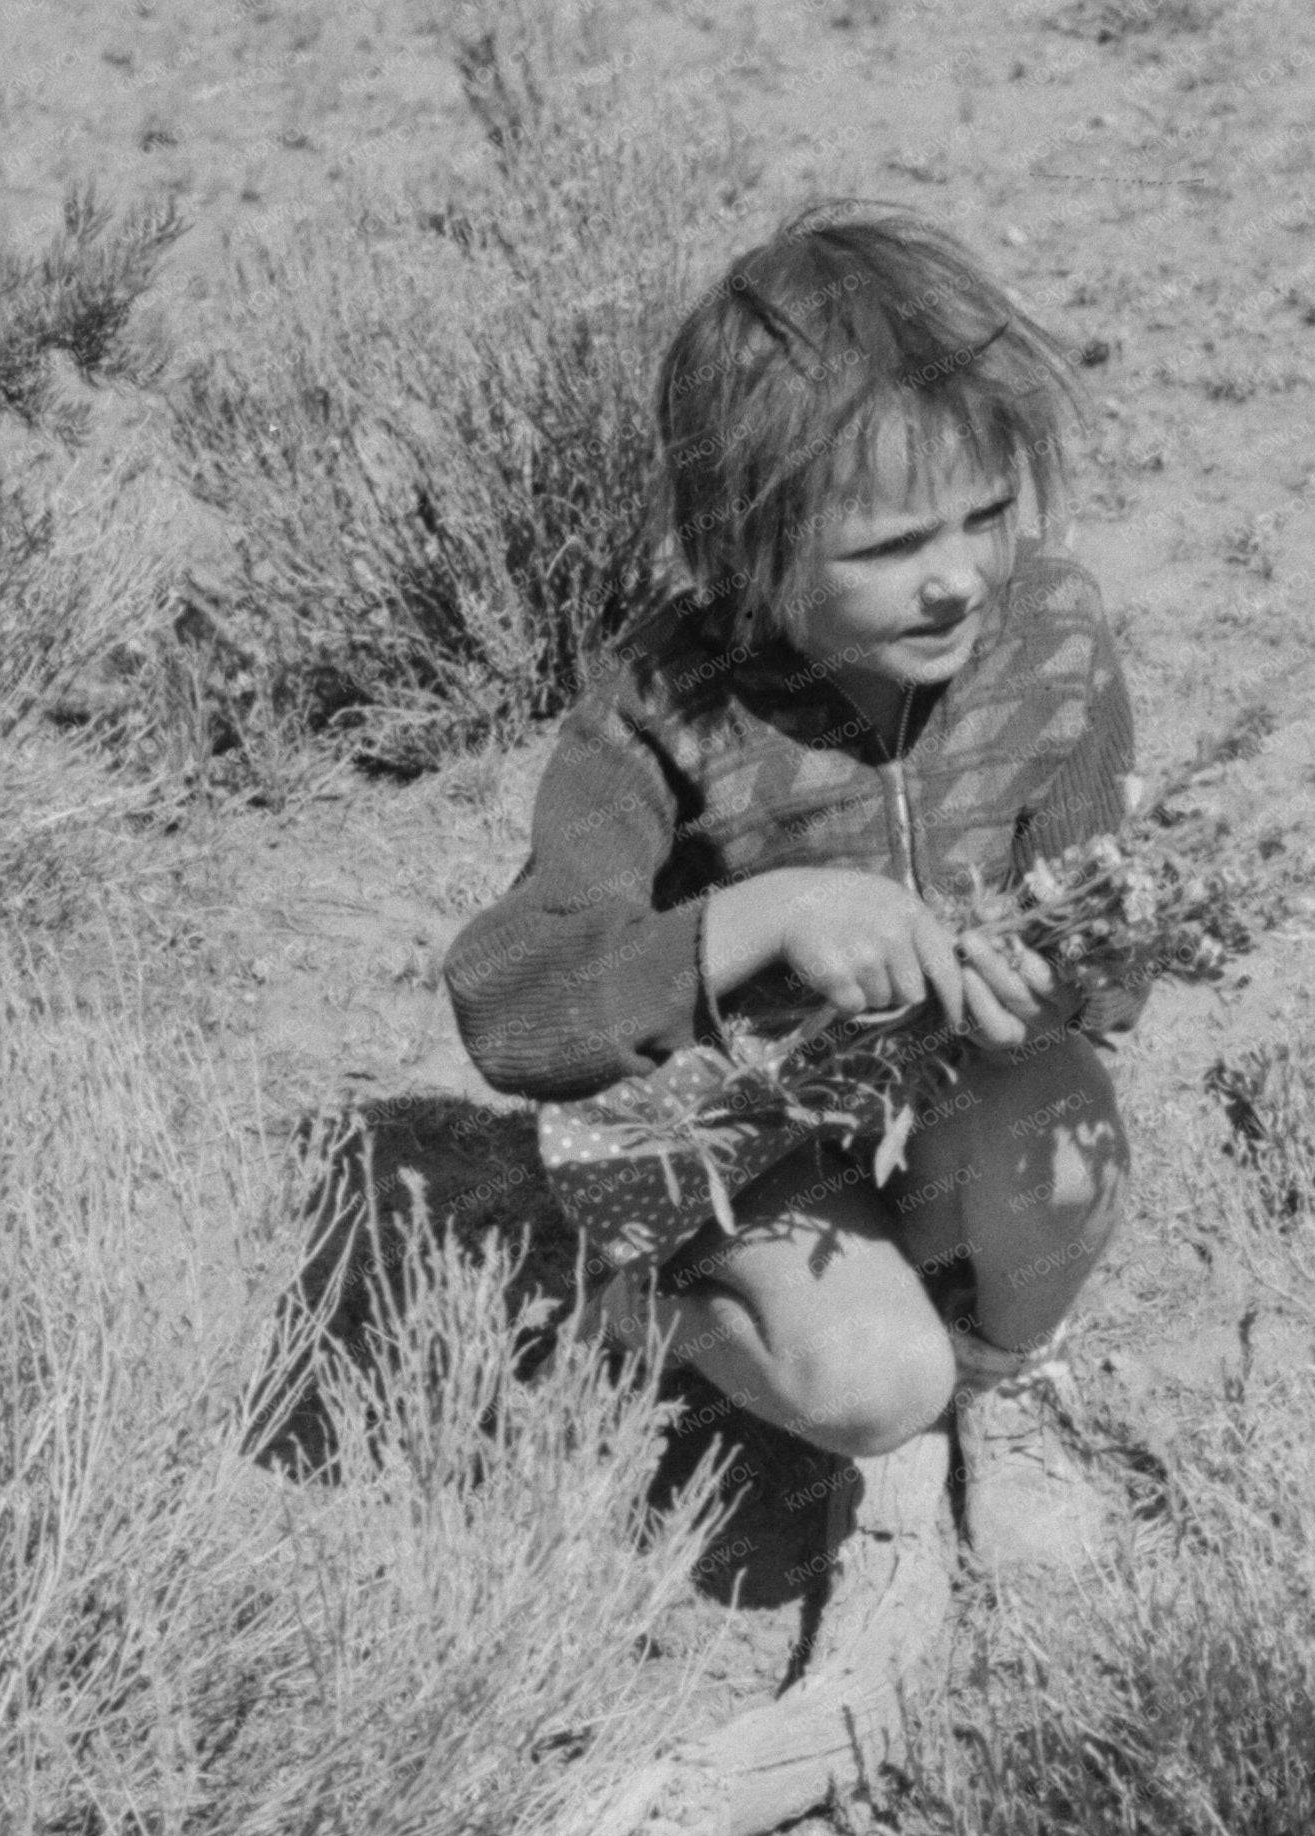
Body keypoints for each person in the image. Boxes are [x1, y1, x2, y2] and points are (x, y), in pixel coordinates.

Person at [443, 202, 1140, 1566]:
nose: (956, 582)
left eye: (987, 515)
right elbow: (507, 1002)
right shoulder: (667, 705)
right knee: (871, 1385)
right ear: (747, 546)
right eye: (888, 549)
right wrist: (762, 917)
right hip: (727, 1145)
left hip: (929, 1098)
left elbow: (1107, 944)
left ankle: (1000, 1379)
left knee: (1063, 1145)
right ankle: (654, 1311)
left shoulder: (1048, 640)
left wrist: (1059, 992)